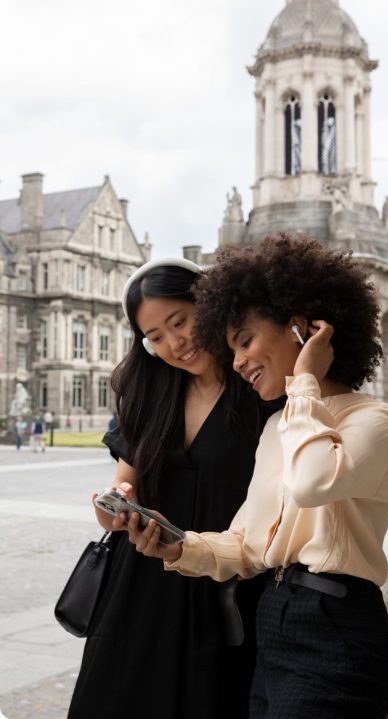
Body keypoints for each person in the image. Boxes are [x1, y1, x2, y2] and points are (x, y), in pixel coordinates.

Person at [127, 235, 388, 719]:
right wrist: (175, 545)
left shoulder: (375, 420)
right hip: (274, 623)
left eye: (244, 341)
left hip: (337, 626)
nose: (236, 363)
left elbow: (313, 482)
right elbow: (248, 546)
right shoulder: (280, 426)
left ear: (301, 331)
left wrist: (304, 382)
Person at [67, 258, 280, 719]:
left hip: (228, 589)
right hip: (140, 589)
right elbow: (125, 488)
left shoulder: (261, 392)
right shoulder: (149, 393)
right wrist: (117, 509)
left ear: (209, 303)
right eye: (156, 336)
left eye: (180, 322)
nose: (174, 343)